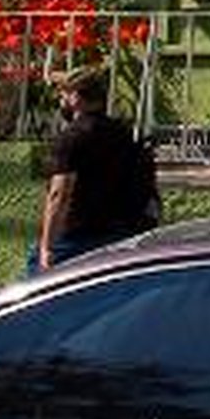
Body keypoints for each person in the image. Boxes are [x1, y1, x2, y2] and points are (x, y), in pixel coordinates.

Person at [32, 65, 159, 278]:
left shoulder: (72, 138)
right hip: (118, 234)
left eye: (63, 93)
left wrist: (46, 247)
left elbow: (59, 194)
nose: (60, 98)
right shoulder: (122, 132)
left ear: (75, 97)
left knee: (35, 288)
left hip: (76, 237)